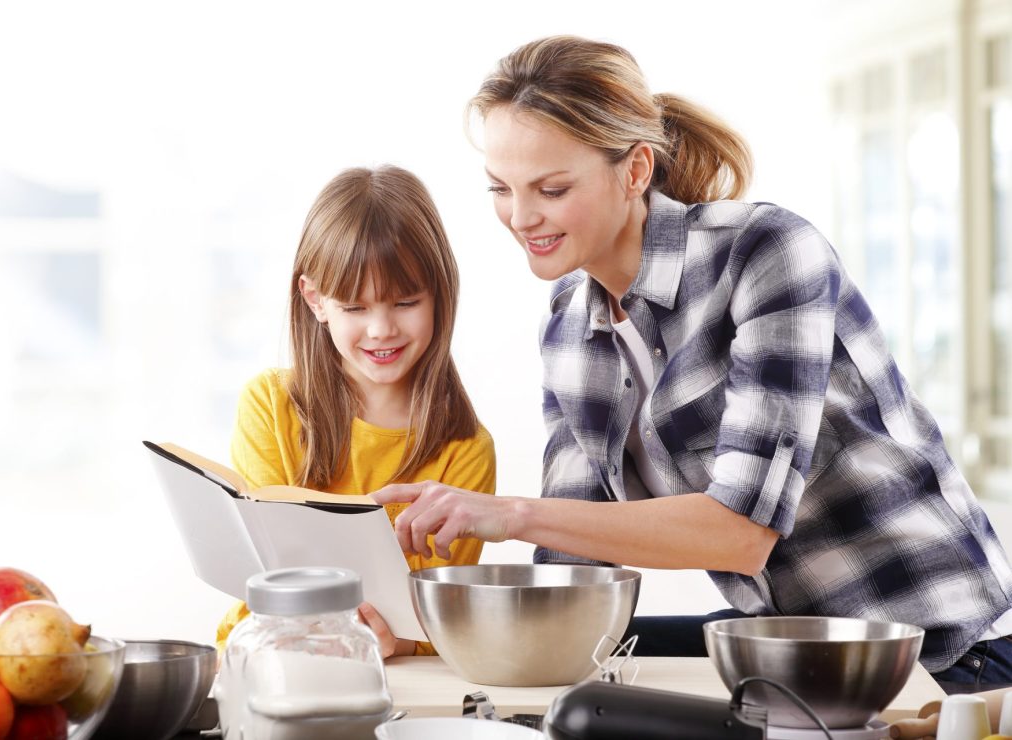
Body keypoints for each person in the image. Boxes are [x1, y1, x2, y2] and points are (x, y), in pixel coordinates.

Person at [372, 35, 1012, 686]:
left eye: (552, 188)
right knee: (589, 685)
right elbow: (571, 567)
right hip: (790, 653)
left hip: (941, 655)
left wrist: (507, 513)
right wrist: (412, 625)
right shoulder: (571, 326)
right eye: (500, 189)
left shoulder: (765, 253)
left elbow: (741, 531)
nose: (521, 216)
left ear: (635, 170)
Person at [216, 165, 496, 658]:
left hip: (390, 679)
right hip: (266, 658)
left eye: (406, 301)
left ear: (440, 295)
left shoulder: (465, 451)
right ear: (316, 300)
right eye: (355, 308)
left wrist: (401, 643)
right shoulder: (271, 406)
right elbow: (267, 572)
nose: (382, 329)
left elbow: (444, 624)